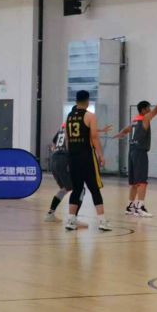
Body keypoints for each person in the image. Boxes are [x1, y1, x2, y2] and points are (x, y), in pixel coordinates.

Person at [113, 84, 157, 217]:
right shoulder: (145, 118)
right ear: (143, 110)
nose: (150, 110)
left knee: (133, 183)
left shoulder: (135, 120)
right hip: (140, 152)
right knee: (142, 182)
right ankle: (140, 207)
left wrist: (120, 133)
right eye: (148, 108)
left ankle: (130, 206)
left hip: (131, 152)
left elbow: (127, 129)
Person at [64, 90, 111, 232]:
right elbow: (94, 137)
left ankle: (71, 220)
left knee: (76, 189)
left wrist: (69, 156)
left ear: (76, 100)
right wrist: (101, 155)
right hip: (86, 157)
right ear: (87, 100)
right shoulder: (90, 116)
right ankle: (102, 221)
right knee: (94, 188)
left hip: (73, 157)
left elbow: (67, 139)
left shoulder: (69, 116)